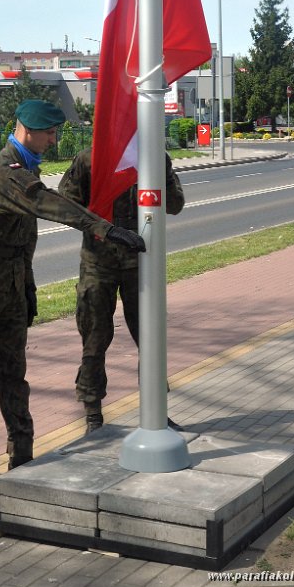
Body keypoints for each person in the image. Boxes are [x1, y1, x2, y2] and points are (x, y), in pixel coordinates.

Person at [0, 99, 146, 491]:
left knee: (14, 376)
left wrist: (25, 290)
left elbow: (21, 241)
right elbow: (50, 204)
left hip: (9, 288)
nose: (54, 138)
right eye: (49, 132)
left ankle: (22, 455)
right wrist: (106, 228)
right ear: (27, 129)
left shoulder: (24, 168)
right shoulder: (5, 172)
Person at [58, 148, 185, 433]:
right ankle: (93, 416)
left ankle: (156, 411)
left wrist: (160, 174)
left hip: (141, 262)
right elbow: (67, 203)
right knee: (94, 338)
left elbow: (175, 205)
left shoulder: (154, 155)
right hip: (97, 262)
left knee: (150, 339)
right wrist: (97, 219)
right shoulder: (91, 158)